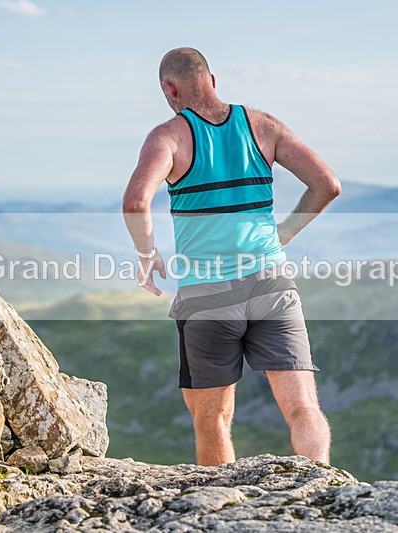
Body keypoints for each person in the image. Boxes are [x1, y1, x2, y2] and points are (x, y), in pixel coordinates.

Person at [122, 47, 341, 466]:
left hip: (206, 296)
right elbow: (327, 185)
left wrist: (146, 252)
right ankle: (323, 490)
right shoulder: (263, 126)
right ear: (212, 80)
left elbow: (135, 203)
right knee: (303, 409)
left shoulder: (168, 137)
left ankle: (219, 500)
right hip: (271, 283)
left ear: (170, 89)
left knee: (213, 421)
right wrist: (283, 234)